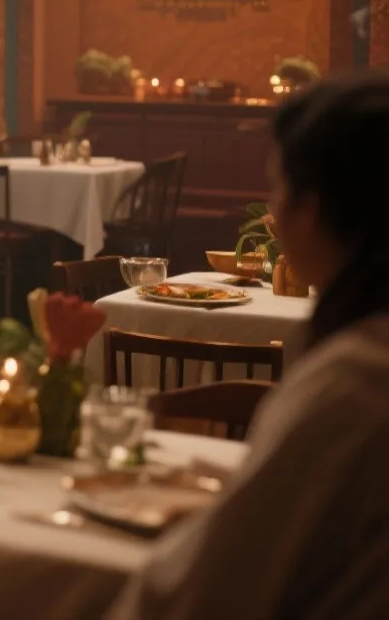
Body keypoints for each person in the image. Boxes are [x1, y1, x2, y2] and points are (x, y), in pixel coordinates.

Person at [108, 70, 389, 620]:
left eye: (277, 189)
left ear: (310, 211)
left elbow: (206, 590)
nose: (273, 214)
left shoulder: (350, 386)